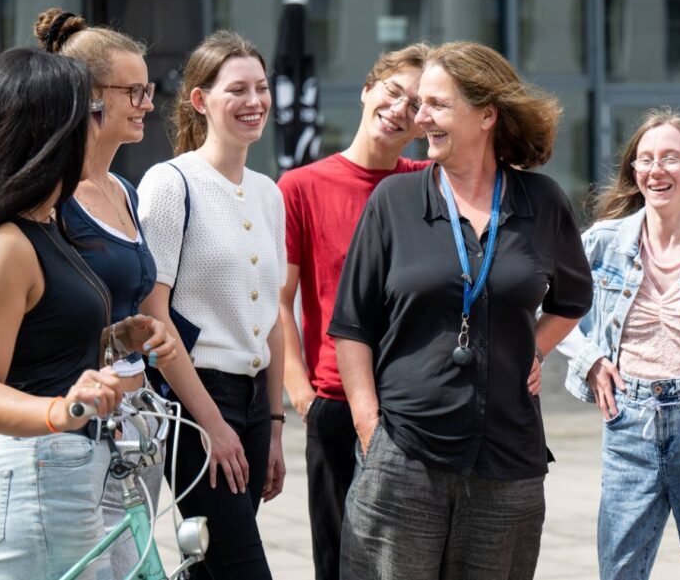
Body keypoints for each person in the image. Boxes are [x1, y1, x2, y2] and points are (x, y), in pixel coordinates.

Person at [329, 41, 592, 579]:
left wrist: (533, 349)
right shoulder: (394, 201)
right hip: (404, 457)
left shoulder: (543, 202)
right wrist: (369, 429)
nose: (419, 117)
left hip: (508, 466)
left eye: (436, 104)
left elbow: (572, 300)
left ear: (486, 115)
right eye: (418, 104)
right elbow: (352, 326)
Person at [0, 47, 173, 579]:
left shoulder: (45, 224)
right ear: (50, 132)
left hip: (65, 475)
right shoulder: (5, 245)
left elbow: (45, 344)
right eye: (90, 115)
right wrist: (64, 409)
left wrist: (118, 339)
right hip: (37, 479)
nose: (96, 128)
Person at [558, 108, 680, 580]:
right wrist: (589, 359)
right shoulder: (602, 243)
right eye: (644, 159)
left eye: (669, 158)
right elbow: (545, 303)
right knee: (619, 570)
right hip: (628, 424)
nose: (654, 169)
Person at [276, 43, 431, 580]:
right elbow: (279, 301)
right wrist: (302, 395)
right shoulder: (301, 187)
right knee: (339, 562)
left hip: (416, 404)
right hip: (336, 403)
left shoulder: (428, 183)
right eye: (393, 92)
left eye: (417, 104)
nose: (400, 109)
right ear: (367, 90)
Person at [137, 30, 286, 579]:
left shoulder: (269, 193)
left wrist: (274, 425)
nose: (255, 101)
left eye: (261, 88)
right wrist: (211, 425)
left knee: (210, 567)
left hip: (255, 402)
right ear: (200, 100)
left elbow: (271, 320)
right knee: (242, 568)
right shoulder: (170, 183)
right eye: (238, 89)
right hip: (195, 400)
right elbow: (153, 317)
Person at [35, 7, 164, 578]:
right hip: (85, 427)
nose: (148, 104)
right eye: (134, 91)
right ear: (89, 97)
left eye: (148, 90)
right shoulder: (52, 201)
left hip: (140, 422)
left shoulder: (125, 191)